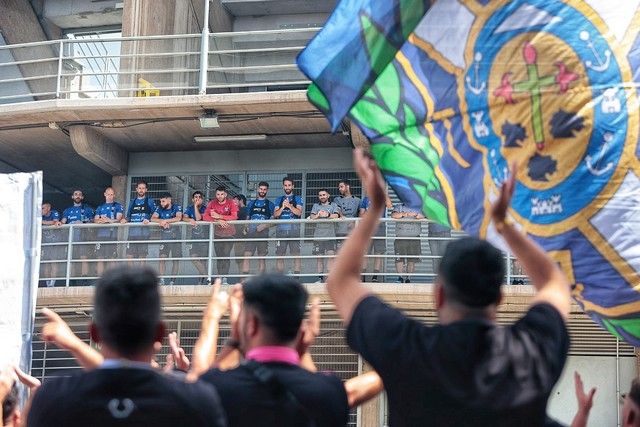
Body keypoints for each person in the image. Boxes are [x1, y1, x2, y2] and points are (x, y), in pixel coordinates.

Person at [326, 149, 571, 427]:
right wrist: (503, 225)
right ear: (500, 297)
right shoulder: (531, 349)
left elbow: (340, 281)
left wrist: (375, 209)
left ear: (439, 294)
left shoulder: (406, 348)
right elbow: (554, 283)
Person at [25, 266, 227, 427]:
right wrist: (212, 317)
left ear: (94, 333)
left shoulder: (53, 398)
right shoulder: (196, 402)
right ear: (159, 334)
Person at [198, 274, 351, 426]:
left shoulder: (215, 389)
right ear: (301, 329)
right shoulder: (331, 392)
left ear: (251, 324)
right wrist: (303, 352)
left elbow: (196, 391)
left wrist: (230, 336)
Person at [204, 186, 238, 281]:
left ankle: (225, 278)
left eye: (222, 194)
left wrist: (219, 217)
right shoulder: (212, 203)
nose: (219, 196)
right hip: (217, 234)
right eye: (218, 194)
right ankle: (220, 277)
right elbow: (205, 216)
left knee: (226, 255)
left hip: (230, 234)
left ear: (225, 194)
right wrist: (217, 221)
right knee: (219, 256)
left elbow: (234, 216)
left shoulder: (231, 202)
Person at [62, 189, 95, 284]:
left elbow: (94, 221)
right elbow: (63, 221)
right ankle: (72, 281)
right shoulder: (67, 210)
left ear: (82, 197)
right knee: (72, 260)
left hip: (84, 238)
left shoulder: (88, 209)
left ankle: (85, 280)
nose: (77, 196)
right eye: (75, 194)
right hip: (71, 239)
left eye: (80, 194)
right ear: (72, 196)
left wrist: (83, 222)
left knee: (84, 259)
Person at [242, 182, 275, 276]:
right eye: (261, 189)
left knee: (262, 257)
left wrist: (264, 225)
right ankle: (245, 280)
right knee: (246, 256)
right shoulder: (251, 203)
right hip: (251, 234)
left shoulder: (270, 204)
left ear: (267, 191)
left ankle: (262, 281)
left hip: (263, 234)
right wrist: (245, 228)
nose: (262, 191)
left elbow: (273, 221)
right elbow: (248, 218)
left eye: (264, 189)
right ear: (257, 189)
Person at [273, 177, 304, 276]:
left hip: (294, 230)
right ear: (283, 186)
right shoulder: (278, 199)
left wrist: (290, 206)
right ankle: (280, 279)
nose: (287, 187)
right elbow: (276, 215)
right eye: (285, 185)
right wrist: (283, 206)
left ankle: (296, 279)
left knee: (296, 255)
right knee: (280, 255)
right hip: (281, 231)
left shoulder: (298, 198)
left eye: (289, 185)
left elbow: (299, 213)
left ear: (293, 186)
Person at [151, 192, 183, 285]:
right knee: (162, 258)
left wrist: (166, 221)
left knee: (175, 260)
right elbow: (152, 219)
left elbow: (178, 218)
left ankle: (172, 281)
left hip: (176, 238)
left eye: (163, 201)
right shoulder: (159, 208)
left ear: (169, 200)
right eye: (161, 201)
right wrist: (162, 221)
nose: (161, 203)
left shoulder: (176, 207)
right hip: (164, 238)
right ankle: (161, 280)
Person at [359, 195, 392, 282]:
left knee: (378, 253)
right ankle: (363, 276)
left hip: (380, 227)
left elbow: (389, 205)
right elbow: (361, 214)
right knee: (365, 253)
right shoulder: (366, 199)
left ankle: (375, 276)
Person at [121, 180, 156, 264]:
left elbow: (156, 215)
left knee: (142, 257)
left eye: (143, 188)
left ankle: (141, 277)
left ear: (146, 190)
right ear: (136, 189)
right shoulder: (132, 201)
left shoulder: (150, 201)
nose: (141, 190)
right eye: (139, 188)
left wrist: (149, 219)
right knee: (129, 256)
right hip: (132, 234)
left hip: (144, 234)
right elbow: (128, 216)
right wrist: (125, 219)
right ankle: (131, 277)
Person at [309, 189, 340, 283]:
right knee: (319, 258)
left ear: (328, 195)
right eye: (320, 195)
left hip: (330, 236)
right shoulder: (316, 206)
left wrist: (327, 214)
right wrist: (318, 215)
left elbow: (336, 215)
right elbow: (311, 217)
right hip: (318, 236)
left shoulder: (333, 205)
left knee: (331, 257)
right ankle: (320, 278)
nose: (322, 197)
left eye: (324, 195)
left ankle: (329, 278)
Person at [94, 187, 124, 276]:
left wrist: (109, 220)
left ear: (114, 195)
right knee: (100, 257)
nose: (110, 196)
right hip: (101, 235)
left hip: (112, 235)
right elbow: (95, 220)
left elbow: (119, 219)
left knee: (112, 257)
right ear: (105, 194)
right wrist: (100, 221)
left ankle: (113, 279)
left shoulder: (118, 206)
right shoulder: (100, 207)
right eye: (108, 194)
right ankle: (100, 279)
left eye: (112, 194)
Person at [391, 202, 424, 283]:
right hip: (400, 238)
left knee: (411, 260)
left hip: (414, 238)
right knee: (399, 259)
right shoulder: (399, 206)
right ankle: (400, 278)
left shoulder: (418, 206)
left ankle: (408, 278)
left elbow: (423, 216)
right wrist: (405, 214)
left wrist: (415, 214)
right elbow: (393, 215)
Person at [183, 191, 209, 285]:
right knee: (194, 258)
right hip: (193, 238)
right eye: (195, 197)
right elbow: (183, 217)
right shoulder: (189, 208)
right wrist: (189, 219)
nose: (197, 199)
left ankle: (201, 280)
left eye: (199, 197)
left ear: (202, 199)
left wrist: (195, 206)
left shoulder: (205, 208)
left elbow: (198, 218)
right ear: (192, 199)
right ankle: (208, 277)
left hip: (204, 238)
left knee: (203, 260)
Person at [41, 201, 64, 287]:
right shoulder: (40, 215)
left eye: (43, 208)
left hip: (55, 243)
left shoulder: (54, 213)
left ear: (48, 208)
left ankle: (52, 284)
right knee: (46, 264)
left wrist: (43, 222)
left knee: (54, 263)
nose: (41, 210)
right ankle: (47, 284)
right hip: (46, 244)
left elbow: (55, 222)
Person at [334, 179, 361, 249]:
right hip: (340, 231)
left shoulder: (357, 200)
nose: (339, 189)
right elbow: (338, 209)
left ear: (347, 187)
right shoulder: (337, 199)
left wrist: (354, 222)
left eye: (341, 187)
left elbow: (361, 214)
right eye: (339, 187)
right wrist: (342, 216)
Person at [233, 194, 249, 275]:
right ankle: (241, 277)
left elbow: (247, 219)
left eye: (235, 200)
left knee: (242, 259)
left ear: (241, 200)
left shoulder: (245, 209)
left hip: (243, 237)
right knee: (239, 259)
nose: (234, 202)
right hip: (237, 237)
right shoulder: (236, 210)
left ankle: (243, 278)